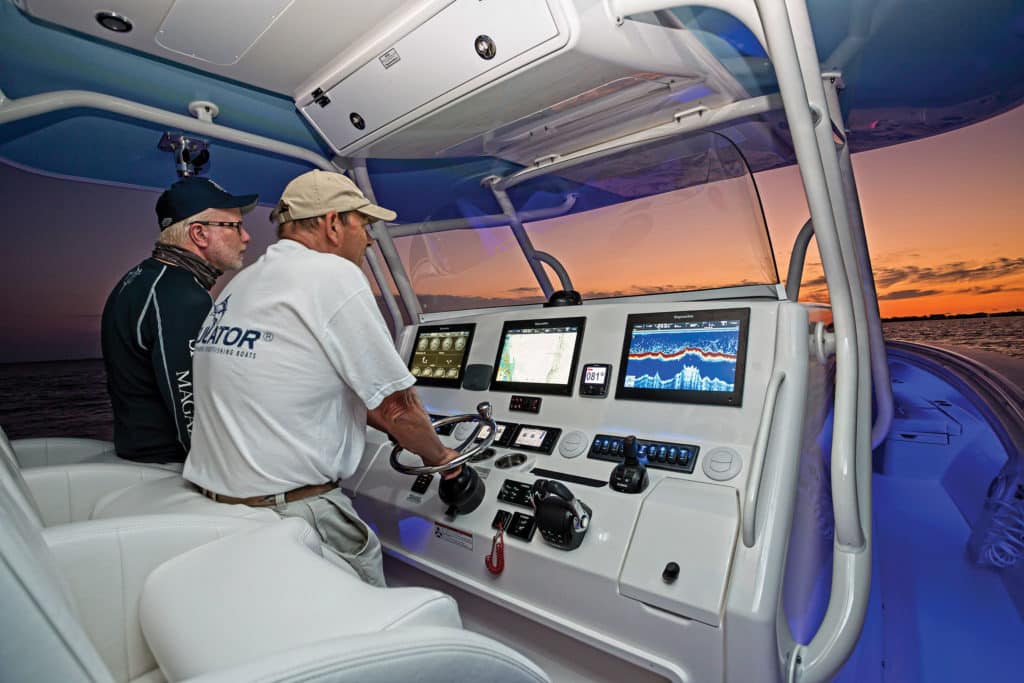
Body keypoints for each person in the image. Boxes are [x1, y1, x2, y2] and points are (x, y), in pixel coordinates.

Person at [184, 170, 458, 586]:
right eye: (363, 225)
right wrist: (442, 460)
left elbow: (302, 386)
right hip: (291, 513)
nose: (368, 240)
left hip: (224, 508)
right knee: (369, 616)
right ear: (333, 224)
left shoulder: (243, 283)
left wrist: (403, 432)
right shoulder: (332, 276)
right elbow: (398, 406)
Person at [101, 176, 256, 465]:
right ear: (199, 234)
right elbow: (189, 407)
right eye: (234, 226)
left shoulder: (140, 278)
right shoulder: (182, 297)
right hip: (166, 463)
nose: (246, 237)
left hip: (136, 450)